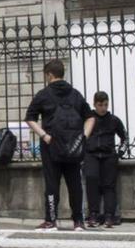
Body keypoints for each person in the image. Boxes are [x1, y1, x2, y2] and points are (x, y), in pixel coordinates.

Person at [25, 59, 96, 232]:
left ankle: (51, 220)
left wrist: (44, 136)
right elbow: (91, 117)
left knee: (52, 184)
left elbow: (30, 118)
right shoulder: (75, 94)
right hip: (74, 145)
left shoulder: (43, 94)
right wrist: (83, 137)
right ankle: (78, 221)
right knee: (75, 183)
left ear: (49, 75)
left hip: (52, 145)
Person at [84, 91, 128, 228]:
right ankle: (93, 214)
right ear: (94, 104)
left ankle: (110, 215)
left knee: (109, 186)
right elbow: (81, 135)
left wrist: (119, 153)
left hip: (109, 156)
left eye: (105, 105)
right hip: (91, 155)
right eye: (100, 105)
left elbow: (124, 137)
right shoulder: (89, 119)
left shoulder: (114, 120)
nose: (103, 108)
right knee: (91, 183)